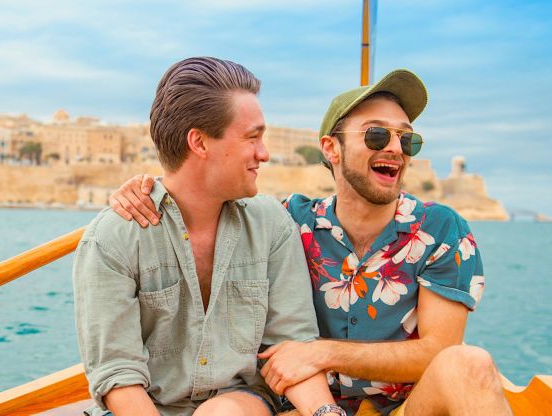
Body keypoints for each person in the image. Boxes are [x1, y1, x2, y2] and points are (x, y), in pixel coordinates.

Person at [108, 69, 513, 416]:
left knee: (470, 363)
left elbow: (437, 350)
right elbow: (202, 193)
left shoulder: (441, 229)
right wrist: (146, 187)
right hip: (299, 407)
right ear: (330, 148)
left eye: (407, 140)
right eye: (376, 135)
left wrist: (324, 352)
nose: (395, 148)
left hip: (407, 407)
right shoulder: (288, 220)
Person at [73, 57, 343, 416]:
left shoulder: (272, 225)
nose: (264, 153)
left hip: (240, 406)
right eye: (253, 137)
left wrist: (328, 414)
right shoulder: (112, 239)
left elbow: (292, 346)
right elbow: (118, 376)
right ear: (199, 142)